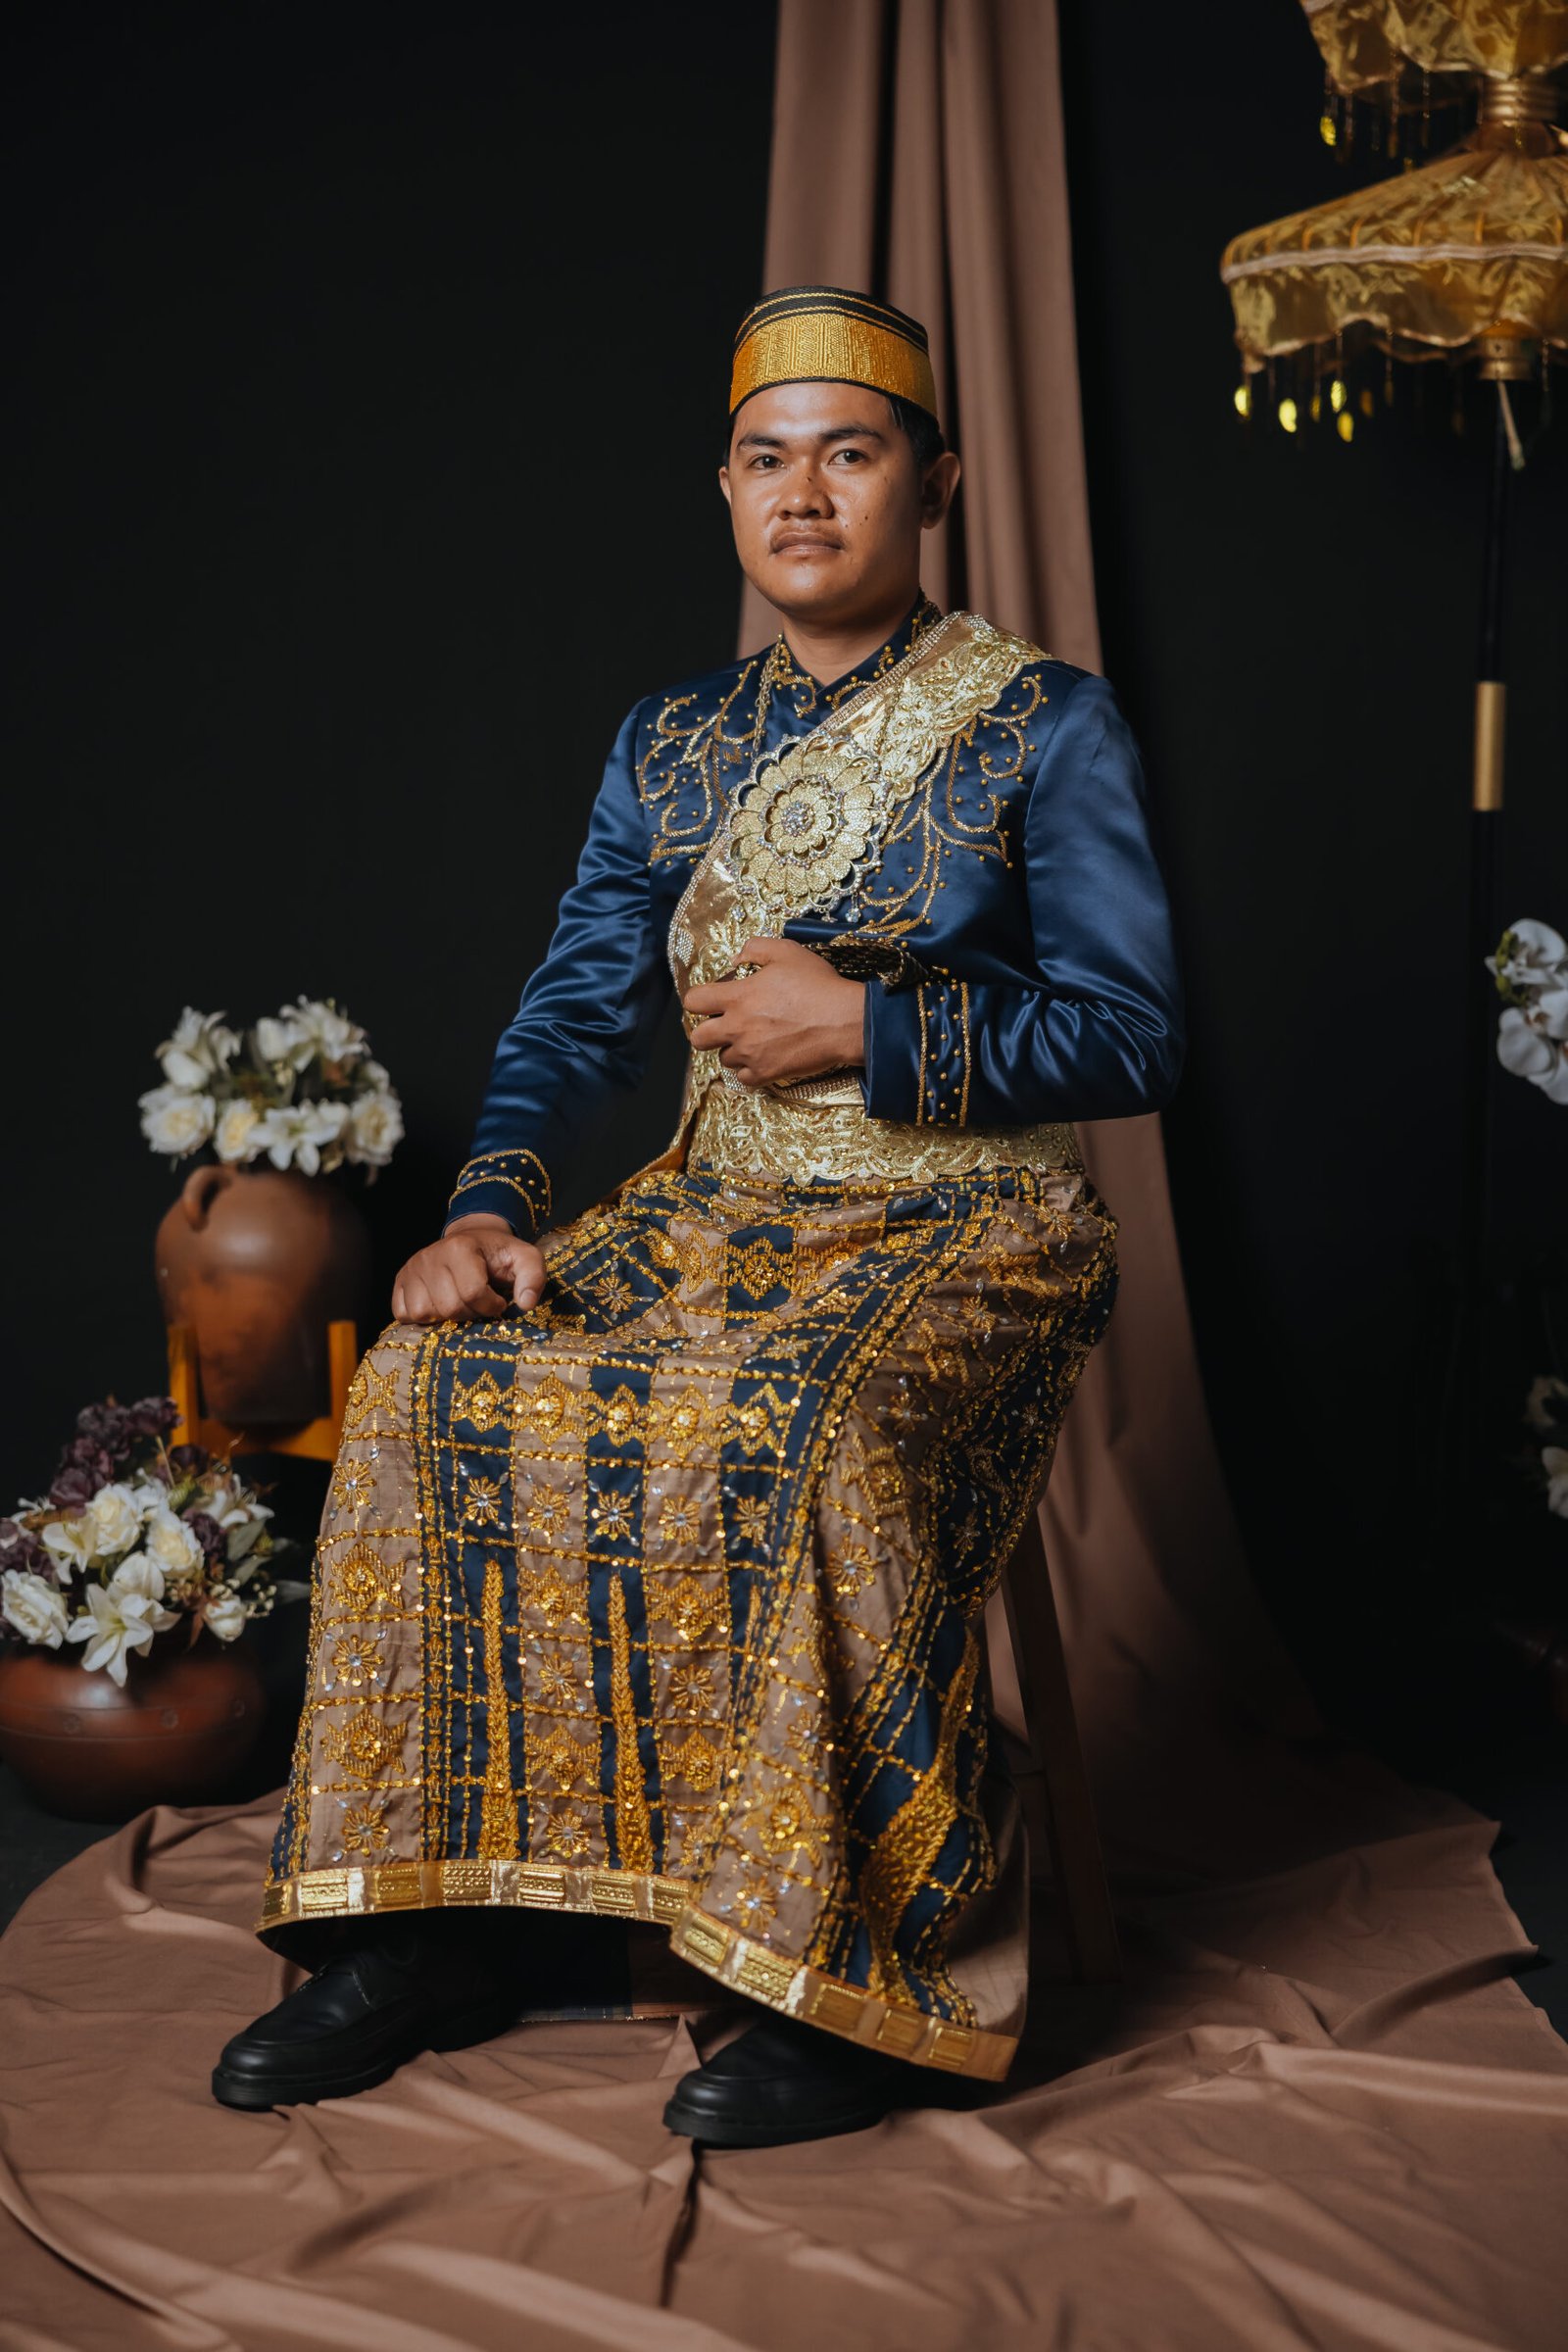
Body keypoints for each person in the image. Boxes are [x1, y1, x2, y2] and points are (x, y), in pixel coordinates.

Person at [213, 285, 1184, 2146]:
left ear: (935, 485)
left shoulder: (1042, 727)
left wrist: (869, 1030)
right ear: (726, 491)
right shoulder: (672, 742)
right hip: (716, 1205)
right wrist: (483, 1210)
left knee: (808, 1435)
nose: (802, 493)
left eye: (849, 452)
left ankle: (853, 1974)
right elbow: (578, 1010)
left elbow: (1136, 1036)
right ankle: (444, 1927)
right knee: (426, 1389)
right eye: (765, 458)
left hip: (972, 1224)